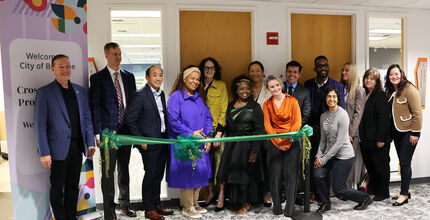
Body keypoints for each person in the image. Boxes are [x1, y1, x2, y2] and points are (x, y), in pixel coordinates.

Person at [34, 54, 96, 220]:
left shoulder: (79, 90)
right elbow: (40, 125)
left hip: (77, 147)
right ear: (52, 69)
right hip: (57, 150)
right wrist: (44, 152)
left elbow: (87, 118)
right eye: (61, 66)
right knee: (57, 188)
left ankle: (71, 216)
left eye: (67, 66)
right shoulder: (45, 93)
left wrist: (90, 141)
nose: (65, 70)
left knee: (73, 186)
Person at [89, 42, 137, 219]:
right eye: (115, 54)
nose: (119, 57)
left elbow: (133, 106)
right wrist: (98, 133)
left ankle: (125, 205)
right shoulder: (97, 79)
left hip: (126, 132)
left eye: (120, 53)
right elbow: (95, 107)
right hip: (108, 134)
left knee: (124, 169)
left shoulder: (129, 77)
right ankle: (110, 211)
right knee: (108, 173)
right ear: (107, 56)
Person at [125, 65, 174, 220]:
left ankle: (156, 204)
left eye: (160, 75)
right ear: (147, 78)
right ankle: (148, 209)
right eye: (155, 75)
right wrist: (141, 141)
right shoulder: (140, 95)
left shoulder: (162, 94)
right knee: (151, 174)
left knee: (158, 174)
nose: (158, 78)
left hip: (162, 139)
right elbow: (129, 120)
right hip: (149, 142)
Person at [313, 87, 372, 213]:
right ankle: (325, 202)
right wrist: (318, 156)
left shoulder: (343, 114)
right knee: (318, 175)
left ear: (338, 99)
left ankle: (365, 198)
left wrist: (323, 160)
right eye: (329, 96)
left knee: (339, 190)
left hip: (344, 156)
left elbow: (339, 143)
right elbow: (323, 140)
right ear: (325, 98)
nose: (331, 99)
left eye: (334, 96)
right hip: (328, 154)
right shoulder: (323, 116)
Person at [167, 66, 212, 218]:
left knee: (199, 173)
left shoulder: (199, 97)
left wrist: (206, 138)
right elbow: (173, 120)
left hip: (199, 142)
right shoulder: (175, 97)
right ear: (184, 79)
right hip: (184, 143)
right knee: (187, 174)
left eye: (198, 79)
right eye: (192, 78)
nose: (195, 81)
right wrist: (191, 133)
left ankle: (194, 204)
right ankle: (187, 207)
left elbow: (208, 118)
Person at [217, 75, 265, 215]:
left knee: (245, 176)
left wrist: (254, 152)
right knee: (232, 174)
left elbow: (259, 131)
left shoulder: (255, 107)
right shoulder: (231, 105)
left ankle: (246, 203)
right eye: (241, 89)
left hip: (247, 146)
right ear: (236, 91)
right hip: (232, 144)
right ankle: (235, 201)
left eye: (247, 89)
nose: (245, 91)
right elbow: (226, 124)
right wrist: (218, 133)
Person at [304, 55, 345, 200]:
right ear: (315, 68)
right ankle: (312, 192)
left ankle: (324, 195)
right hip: (311, 129)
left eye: (325, 65)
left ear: (328, 67)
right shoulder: (308, 84)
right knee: (311, 161)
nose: (323, 68)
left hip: (329, 130)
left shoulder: (337, 86)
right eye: (319, 66)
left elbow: (341, 110)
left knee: (325, 162)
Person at [263, 75, 302, 217]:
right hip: (274, 143)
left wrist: (287, 141)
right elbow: (268, 125)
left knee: (291, 176)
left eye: (277, 85)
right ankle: (277, 208)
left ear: (281, 85)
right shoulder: (266, 104)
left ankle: (289, 209)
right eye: (272, 86)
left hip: (292, 142)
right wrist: (278, 142)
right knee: (274, 176)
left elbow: (297, 123)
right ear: (268, 89)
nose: (276, 88)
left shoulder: (293, 101)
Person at [385, 64, 422, 206]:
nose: (394, 77)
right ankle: (406, 189)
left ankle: (404, 194)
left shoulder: (409, 89)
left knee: (405, 163)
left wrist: (415, 133)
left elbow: (417, 113)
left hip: (409, 132)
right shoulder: (391, 91)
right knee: (403, 162)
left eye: (396, 74)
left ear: (401, 74)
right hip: (398, 133)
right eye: (391, 75)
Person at [198, 57, 228, 211]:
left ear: (216, 70)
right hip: (201, 133)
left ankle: (221, 195)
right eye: (206, 68)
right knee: (206, 164)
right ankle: (210, 193)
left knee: (219, 164)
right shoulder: (197, 85)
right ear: (202, 70)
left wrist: (219, 133)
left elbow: (224, 111)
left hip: (217, 132)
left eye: (212, 68)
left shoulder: (221, 86)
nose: (209, 70)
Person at [359, 68, 391, 201]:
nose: (368, 80)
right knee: (370, 165)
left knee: (380, 166)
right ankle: (373, 187)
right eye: (367, 77)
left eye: (372, 78)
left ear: (377, 81)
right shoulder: (364, 94)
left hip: (378, 139)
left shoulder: (379, 96)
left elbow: (383, 118)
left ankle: (383, 192)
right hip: (366, 139)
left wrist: (380, 139)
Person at [248, 61, 272, 207]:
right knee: (251, 165)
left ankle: (264, 194)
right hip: (249, 133)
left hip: (265, 133)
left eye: (257, 70)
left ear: (262, 72)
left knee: (265, 165)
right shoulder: (246, 88)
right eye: (252, 71)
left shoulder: (268, 89)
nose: (255, 73)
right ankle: (252, 196)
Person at [340, 62, 366, 189]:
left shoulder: (359, 90)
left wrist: (350, 133)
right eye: (343, 70)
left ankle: (348, 189)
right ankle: (340, 188)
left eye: (347, 70)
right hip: (340, 131)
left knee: (349, 161)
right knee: (340, 160)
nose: (344, 72)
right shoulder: (342, 88)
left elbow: (358, 114)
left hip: (352, 134)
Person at [285, 60, 311, 127]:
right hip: (280, 130)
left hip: (297, 130)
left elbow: (306, 114)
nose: (292, 74)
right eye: (289, 71)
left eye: (295, 72)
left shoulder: (305, 92)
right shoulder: (278, 88)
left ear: (299, 75)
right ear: (286, 73)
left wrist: (295, 127)